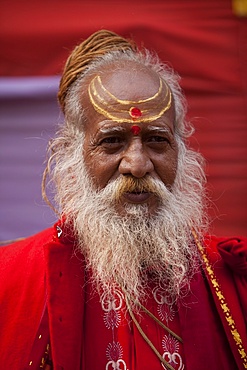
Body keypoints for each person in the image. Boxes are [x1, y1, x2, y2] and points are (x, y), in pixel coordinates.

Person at [0, 29, 246, 370]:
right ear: (73, 153)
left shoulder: (234, 282)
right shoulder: (10, 280)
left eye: (157, 140)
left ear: (183, 151)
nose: (137, 164)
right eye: (112, 141)